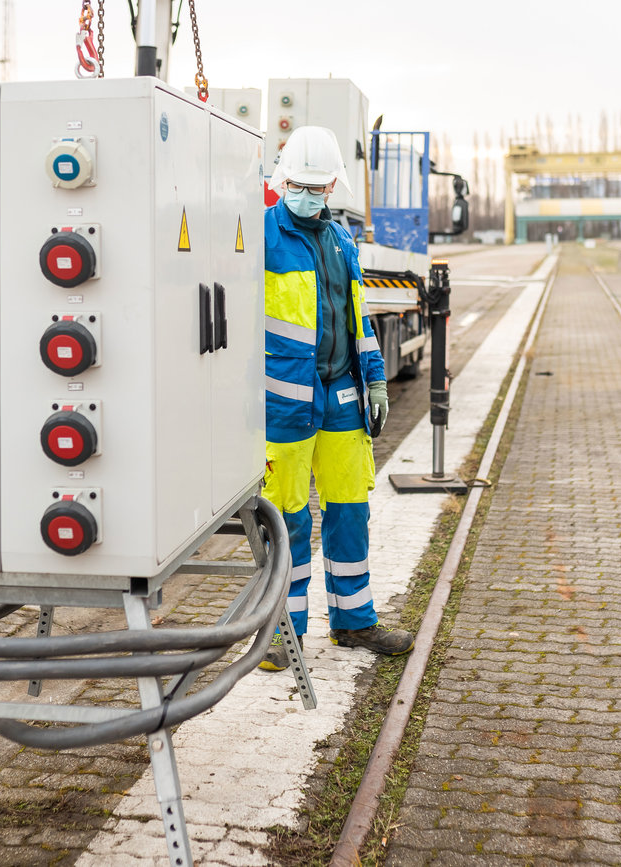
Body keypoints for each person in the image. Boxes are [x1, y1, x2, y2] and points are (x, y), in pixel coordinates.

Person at [259, 125, 415, 671]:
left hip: (342, 396)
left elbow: (359, 321)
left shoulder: (342, 241)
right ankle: (284, 634)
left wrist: (374, 378)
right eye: (298, 185)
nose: (307, 194)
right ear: (282, 181)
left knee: (350, 510)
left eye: (318, 186)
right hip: (284, 402)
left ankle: (354, 621)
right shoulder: (259, 237)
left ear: (332, 188)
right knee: (287, 518)